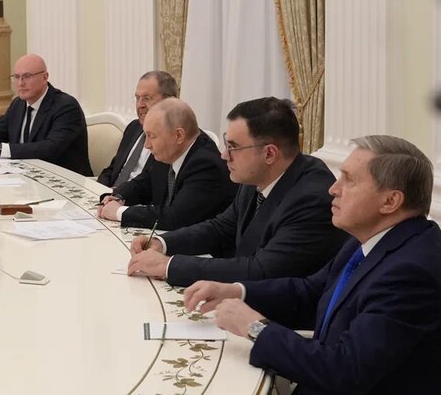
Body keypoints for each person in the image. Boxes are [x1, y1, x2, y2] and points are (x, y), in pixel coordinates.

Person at [184, 136, 441, 395]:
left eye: (349, 180)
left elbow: (345, 371)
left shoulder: (411, 272)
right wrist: (237, 291)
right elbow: (310, 291)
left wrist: (255, 328)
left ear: (389, 202)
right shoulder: (368, 239)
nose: (333, 189)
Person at [127, 97, 347, 285]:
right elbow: (221, 228)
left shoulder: (310, 198)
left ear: (270, 154)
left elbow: (261, 270)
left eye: (233, 147)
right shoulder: (256, 177)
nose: (224, 155)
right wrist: (163, 243)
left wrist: (170, 266)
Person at [96, 98, 234, 229]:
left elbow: (175, 217)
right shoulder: (170, 151)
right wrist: (119, 197)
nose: (146, 145)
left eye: (152, 136)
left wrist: (120, 212)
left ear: (178, 135)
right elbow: (144, 182)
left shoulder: (206, 164)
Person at [0, 53, 91, 176]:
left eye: (27, 76)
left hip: (64, 182)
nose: (20, 83)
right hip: (24, 178)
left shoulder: (66, 106)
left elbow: (50, 148)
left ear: (45, 77)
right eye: (16, 77)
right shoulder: (18, 104)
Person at [96, 70, 178, 186]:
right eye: (137, 98)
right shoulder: (133, 128)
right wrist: (99, 193)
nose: (140, 105)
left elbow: (152, 185)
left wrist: (118, 196)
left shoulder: (172, 138)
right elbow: (112, 170)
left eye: (147, 98)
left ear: (169, 100)